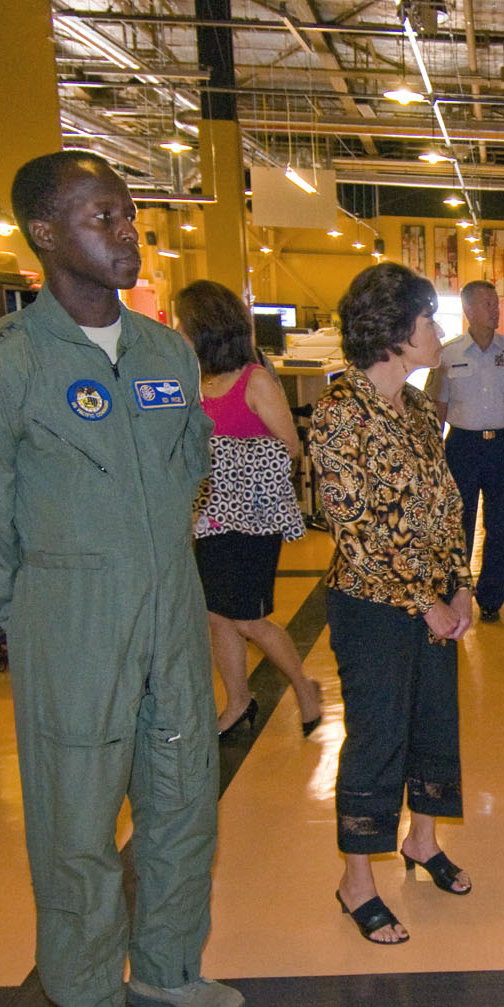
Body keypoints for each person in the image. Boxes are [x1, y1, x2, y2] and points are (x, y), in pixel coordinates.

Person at [0, 151, 244, 1007]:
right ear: (46, 233)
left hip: (172, 609)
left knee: (184, 798)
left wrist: (151, 564)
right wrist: (37, 601)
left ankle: (168, 968)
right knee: (76, 824)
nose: (126, 230)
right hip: (72, 621)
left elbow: (190, 463)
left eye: (128, 213)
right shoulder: (0, 368)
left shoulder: (163, 352)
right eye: (102, 215)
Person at [306, 262, 475, 946]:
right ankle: (356, 881)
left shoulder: (418, 409)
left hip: (433, 598)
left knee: (433, 722)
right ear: (393, 332)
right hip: (373, 606)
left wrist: (459, 582)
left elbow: (446, 504)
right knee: (377, 736)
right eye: (429, 318)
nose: (436, 331)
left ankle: (422, 841)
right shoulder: (339, 413)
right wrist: (423, 601)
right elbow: (356, 529)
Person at [175, 280, 324, 741]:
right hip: (211, 517)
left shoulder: (254, 380)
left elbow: (290, 446)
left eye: (183, 323)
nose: (178, 331)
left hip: (254, 521)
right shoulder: (197, 381)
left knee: (248, 618)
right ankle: (238, 701)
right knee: (216, 614)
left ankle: (304, 687)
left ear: (206, 328)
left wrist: (226, 456)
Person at [424, 279, 504, 623]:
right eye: (487, 303)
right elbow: (437, 409)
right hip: (461, 447)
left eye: (496, 303)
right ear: (468, 310)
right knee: (457, 524)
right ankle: (453, 591)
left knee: (501, 525)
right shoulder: (447, 355)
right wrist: (432, 459)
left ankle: (491, 597)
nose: (495, 309)